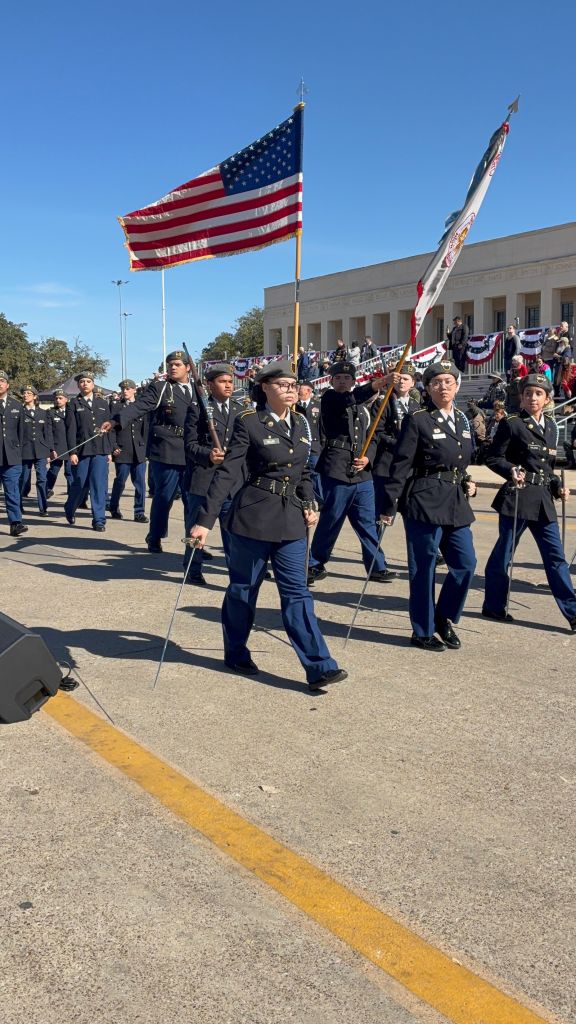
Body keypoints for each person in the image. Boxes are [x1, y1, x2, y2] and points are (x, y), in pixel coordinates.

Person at [188, 361, 346, 692]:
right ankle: (235, 651)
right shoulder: (250, 423)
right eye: (283, 384)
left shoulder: (302, 422)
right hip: (253, 518)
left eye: (293, 384)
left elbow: (304, 470)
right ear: (265, 388)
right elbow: (228, 473)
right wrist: (205, 521)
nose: (291, 389)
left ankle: (319, 665)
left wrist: (309, 501)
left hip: (290, 519)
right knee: (243, 590)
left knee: (298, 594)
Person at [378, 360, 477, 652]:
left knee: (465, 563)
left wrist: (467, 479)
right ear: (428, 387)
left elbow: (460, 459)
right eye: (436, 382)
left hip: (455, 500)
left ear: (457, 385)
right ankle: (422, 630)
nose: (443, 386)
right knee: (424, 568)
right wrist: (389, 504)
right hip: (423, 498)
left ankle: (443, 617)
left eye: (448, 381)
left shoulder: (462, 419)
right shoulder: (418, 418)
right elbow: (401, 464)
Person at [482, 372, 576, 630]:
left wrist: (557, 486)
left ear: (547, 399)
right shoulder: (512, 423)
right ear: (521, 398)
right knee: (504, 555)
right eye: (527, 393)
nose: (532, 398)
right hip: (518, 498)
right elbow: (493, 458)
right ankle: (493, 605)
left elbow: (546, 467)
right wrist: (511, 470)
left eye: (538, 393)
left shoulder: (552, 426)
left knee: (556, 558)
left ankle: (573, 612)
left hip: (543, 501)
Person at [307, 361, 397, 585]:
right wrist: (380, 383)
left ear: (353, 380)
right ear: (331, 381)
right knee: (332, 519)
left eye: (346, 378)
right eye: (337, 378)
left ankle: (377, 566)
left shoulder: (365, 407)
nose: (342, 381)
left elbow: (373, 436)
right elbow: (351, 398)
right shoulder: (330, 398)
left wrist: (369, 458)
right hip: (337, 468)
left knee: (367, 521)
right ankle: (314, 563)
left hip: (362, 471)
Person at [102, 350, 197, 552]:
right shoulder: (161, 388)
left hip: (192, 451)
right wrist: (116, 421)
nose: (172, 367)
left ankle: (193, 544)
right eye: (169, 364)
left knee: (193, 500)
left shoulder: (198, 389)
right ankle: (155, 535)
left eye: (177, 364)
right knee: (164, 497)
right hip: (167, 450)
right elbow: (139, 406)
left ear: (188, 367)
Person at [183, 364, 244, 586]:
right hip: (204, 479)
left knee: (232, 532)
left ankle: (236, 573)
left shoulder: (239, 410)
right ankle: (193, 568)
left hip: (231, 481)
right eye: (222, 381)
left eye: (230, 381)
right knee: (196, 527)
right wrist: (208, 454)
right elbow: (189, 446)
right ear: (209, 385)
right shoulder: (198, 408)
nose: (228, 385)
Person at [64, 372, 115, 531]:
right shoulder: (73, 403)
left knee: (99, 485)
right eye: (82, 382)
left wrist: (109, 450)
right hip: (82, 450)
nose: (85, 384)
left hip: (100, 450)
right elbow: (71, 430)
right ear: (78, 385)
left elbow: (110, 429)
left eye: (88, 381)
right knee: (80, 483)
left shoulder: (102, 403)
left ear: (93, 384)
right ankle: (70, 507)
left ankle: (99, 520)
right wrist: (72, 452)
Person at [371, 362, 421, 514]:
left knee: (409, 512)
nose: (401, 382)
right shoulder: (383, 402)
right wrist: (398, 443)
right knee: (381, 513)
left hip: (408, 467)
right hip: (387, 463)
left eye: (406, 379)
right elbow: (376, 432)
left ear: (413, 382)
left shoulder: (416, 405)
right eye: (398, 378)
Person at [108, 379, 149, 523]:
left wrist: (145, 448)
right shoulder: (116, 407)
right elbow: (111, 430)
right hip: (122, 450)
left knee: (140, 483)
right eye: (123, 389)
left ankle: (139, 511)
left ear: (134, 390)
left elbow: (145, 429)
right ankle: (113, 507)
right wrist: (114, 447)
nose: (125, 391)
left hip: (138, 450)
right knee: (120, 481)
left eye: (128, 389)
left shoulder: (140, 407)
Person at [0, 370, 27, 536]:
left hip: (12, 457)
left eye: (2, 381)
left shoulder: (17, 406)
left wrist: (19, 454)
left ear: (7, 385)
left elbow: (22, 433)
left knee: (12, 492)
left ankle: (15, 522)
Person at [19, 386, 53, 517]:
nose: (25, 395)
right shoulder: (20, 412)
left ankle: (43, 507)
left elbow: (48, 433)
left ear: (35, 397)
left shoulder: (44, 413)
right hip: (25, 450)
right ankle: (19, 505)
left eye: (29, 393)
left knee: (42, 479)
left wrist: (51, 449)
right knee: (23, 479)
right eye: (24, 393)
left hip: (40, 450)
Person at [295, 381, 324, 503]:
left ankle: (321, 500)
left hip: (314, 446)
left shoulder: (318, 406)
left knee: (315, 473)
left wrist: (323, 445)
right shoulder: (293, 406)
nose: (297, 390)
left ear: (309, 391)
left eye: (300, 388)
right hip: (298, 445)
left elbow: (322, 427)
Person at [47, 389, 73, 497]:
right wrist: (51, 449)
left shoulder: (72, 411)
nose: (58, 400)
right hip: (57, 448)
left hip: (71, 447)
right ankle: (47, 489)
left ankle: (73, 494)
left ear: (66, 399)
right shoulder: (51, 412)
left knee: (70, 472)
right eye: (56, 398)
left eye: (60, 398)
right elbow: (48, 432)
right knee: (53, 471)